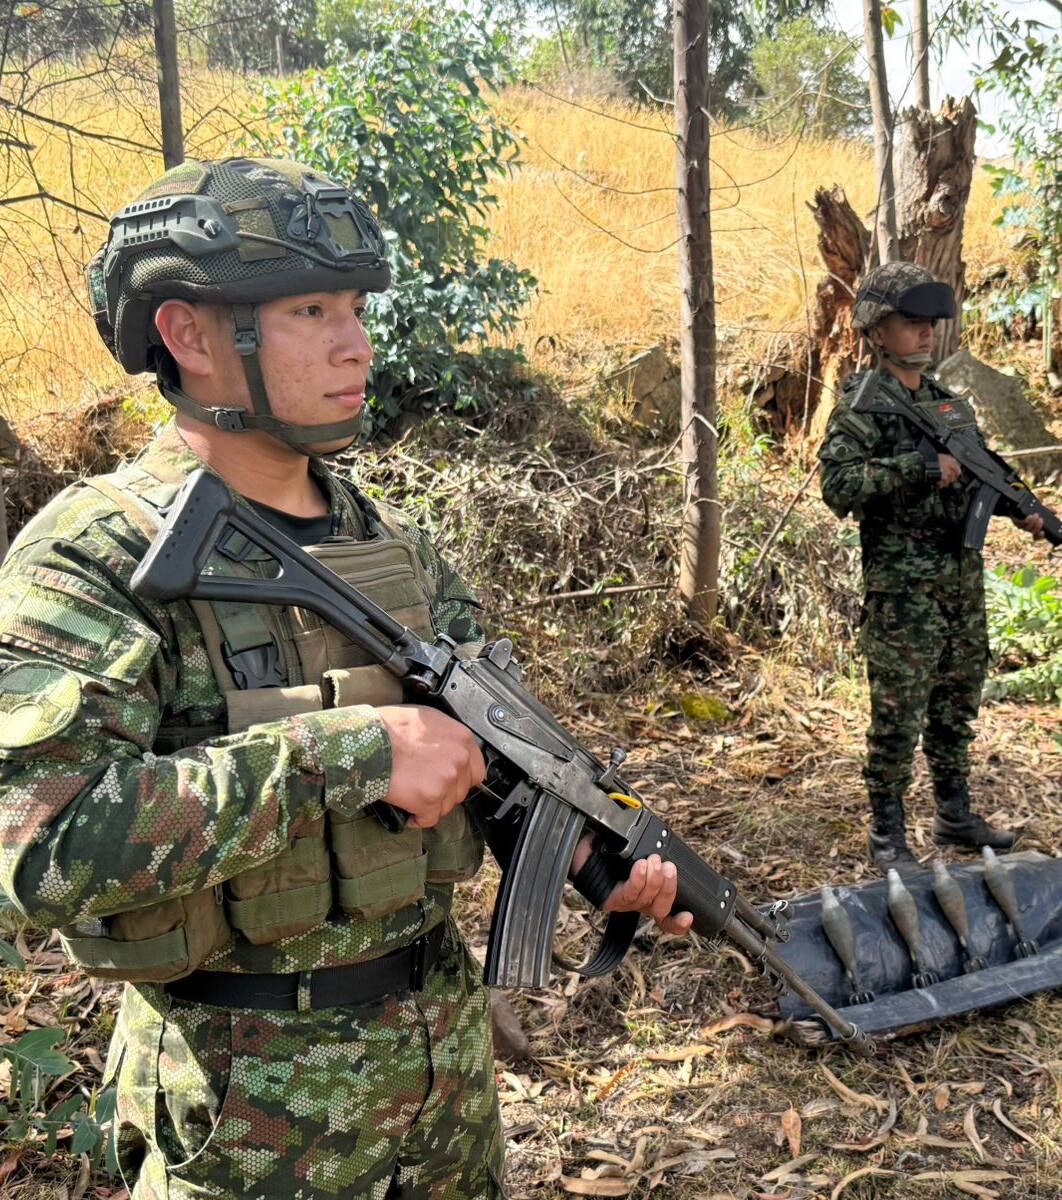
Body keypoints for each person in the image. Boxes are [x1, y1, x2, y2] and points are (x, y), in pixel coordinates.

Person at [0, 156, 691, 1199]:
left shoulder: (390, 547)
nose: (357, 343)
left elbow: (493, 760)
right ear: (189, 335)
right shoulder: (93, 558)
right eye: (311, 309)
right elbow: (38, 847)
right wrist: (350, 755)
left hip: (444, 1089)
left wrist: (593, 854)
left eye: (358, 307)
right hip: (244, 1121)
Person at [818, 262, 1045, 872]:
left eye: (930, 325)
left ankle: (953, 812)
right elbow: (837, 486)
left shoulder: (950, 407)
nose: (924, 334)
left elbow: (976, 481)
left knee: (954, 703)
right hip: (903, 592)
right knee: (897, 710)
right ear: (877, 328)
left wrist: (1017, 509)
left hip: (959, 585)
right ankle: (887, 830)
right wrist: (915, 467)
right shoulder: (865, 406)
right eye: (911, 324)